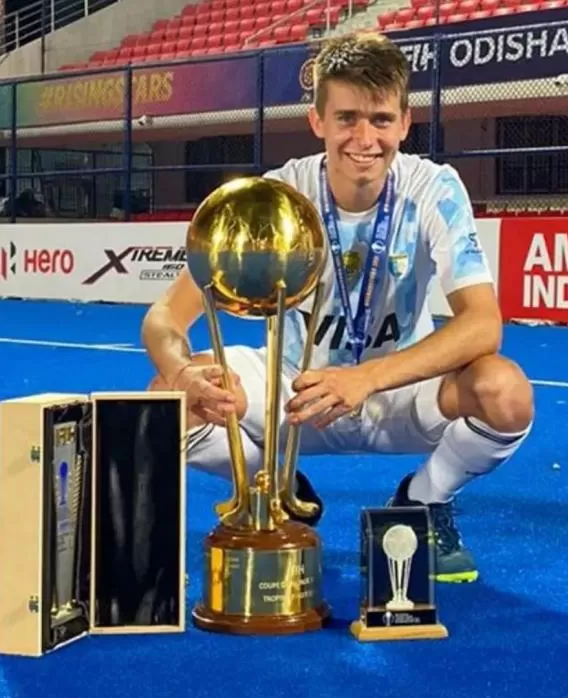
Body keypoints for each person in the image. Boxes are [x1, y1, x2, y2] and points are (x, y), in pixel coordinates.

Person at [141, 32, 534, 584]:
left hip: (398, 387)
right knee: (165, 401)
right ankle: (271, 486)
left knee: (505, 391)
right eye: (347, 117)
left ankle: (420, 503)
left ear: (404, 122)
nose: (364, 137)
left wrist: (366, 378)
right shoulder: (277, 196)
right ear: (317, 121)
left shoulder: (434, 188)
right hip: (294, 390)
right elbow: (164, 317)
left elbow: (483, 324)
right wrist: (181, 371)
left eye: (380, 119)